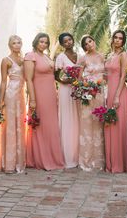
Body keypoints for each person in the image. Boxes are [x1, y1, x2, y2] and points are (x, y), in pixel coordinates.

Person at [24, 33, 64, 170]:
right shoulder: (30, 56)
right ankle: (40, 159)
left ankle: (52, 157)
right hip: (39, 95)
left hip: (51, 96)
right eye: (41, 41)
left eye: (46, 42)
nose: (44, 44)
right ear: (36, 42)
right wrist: (33, 99)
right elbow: (28, 79)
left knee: (51, 126)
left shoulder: (46, 57)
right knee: (41, 126)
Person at [0, 35, 26, 173]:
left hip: (21, 96)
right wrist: (1, 101)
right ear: (10, 45)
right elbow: (3, 81)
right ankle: (9, 163)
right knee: (10, 127)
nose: (17, 45)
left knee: (20, 126)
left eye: (19, 42)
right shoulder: (6, 60)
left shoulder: (24, 60)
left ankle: (19, 161)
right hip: (10, 95)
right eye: (14, 43)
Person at [104, 30, 127, 173]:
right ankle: (110, 163)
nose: (117, 40)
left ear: (123, 41)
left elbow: (123, 76)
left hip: (119, 93)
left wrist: (116, 96)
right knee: (110, 126)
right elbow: (105, 76)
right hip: (109, 93)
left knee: (119, 128)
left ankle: (120, 164)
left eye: (120, 38)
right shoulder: (109, 55)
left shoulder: (123, 55)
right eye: (115, 37)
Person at [79, 35, 105, 171]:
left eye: (90, 41)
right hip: (88, 93)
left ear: (94, 41)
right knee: (87, 124)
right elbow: (78, 78)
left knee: (98, 122)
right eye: (86, 44)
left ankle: (99, 159)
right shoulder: (83, 58)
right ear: (84, 47)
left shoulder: (102, 57)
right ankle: (86, 158)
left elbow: (106, 75)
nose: (89, 44)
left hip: (100, 93)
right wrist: (85, 87)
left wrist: (101, 83)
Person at [55, 32, 80, 168]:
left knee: (77, 119)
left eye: (70, 39)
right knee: (67, 119)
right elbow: (56, 75)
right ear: (62, 44)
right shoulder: (61, 57)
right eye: (65, 41)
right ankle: (67, 156)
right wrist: (64, 81)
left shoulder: (79, 56)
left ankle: (77, 154)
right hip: (66, 90)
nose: (68, 42)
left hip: (78, 90)